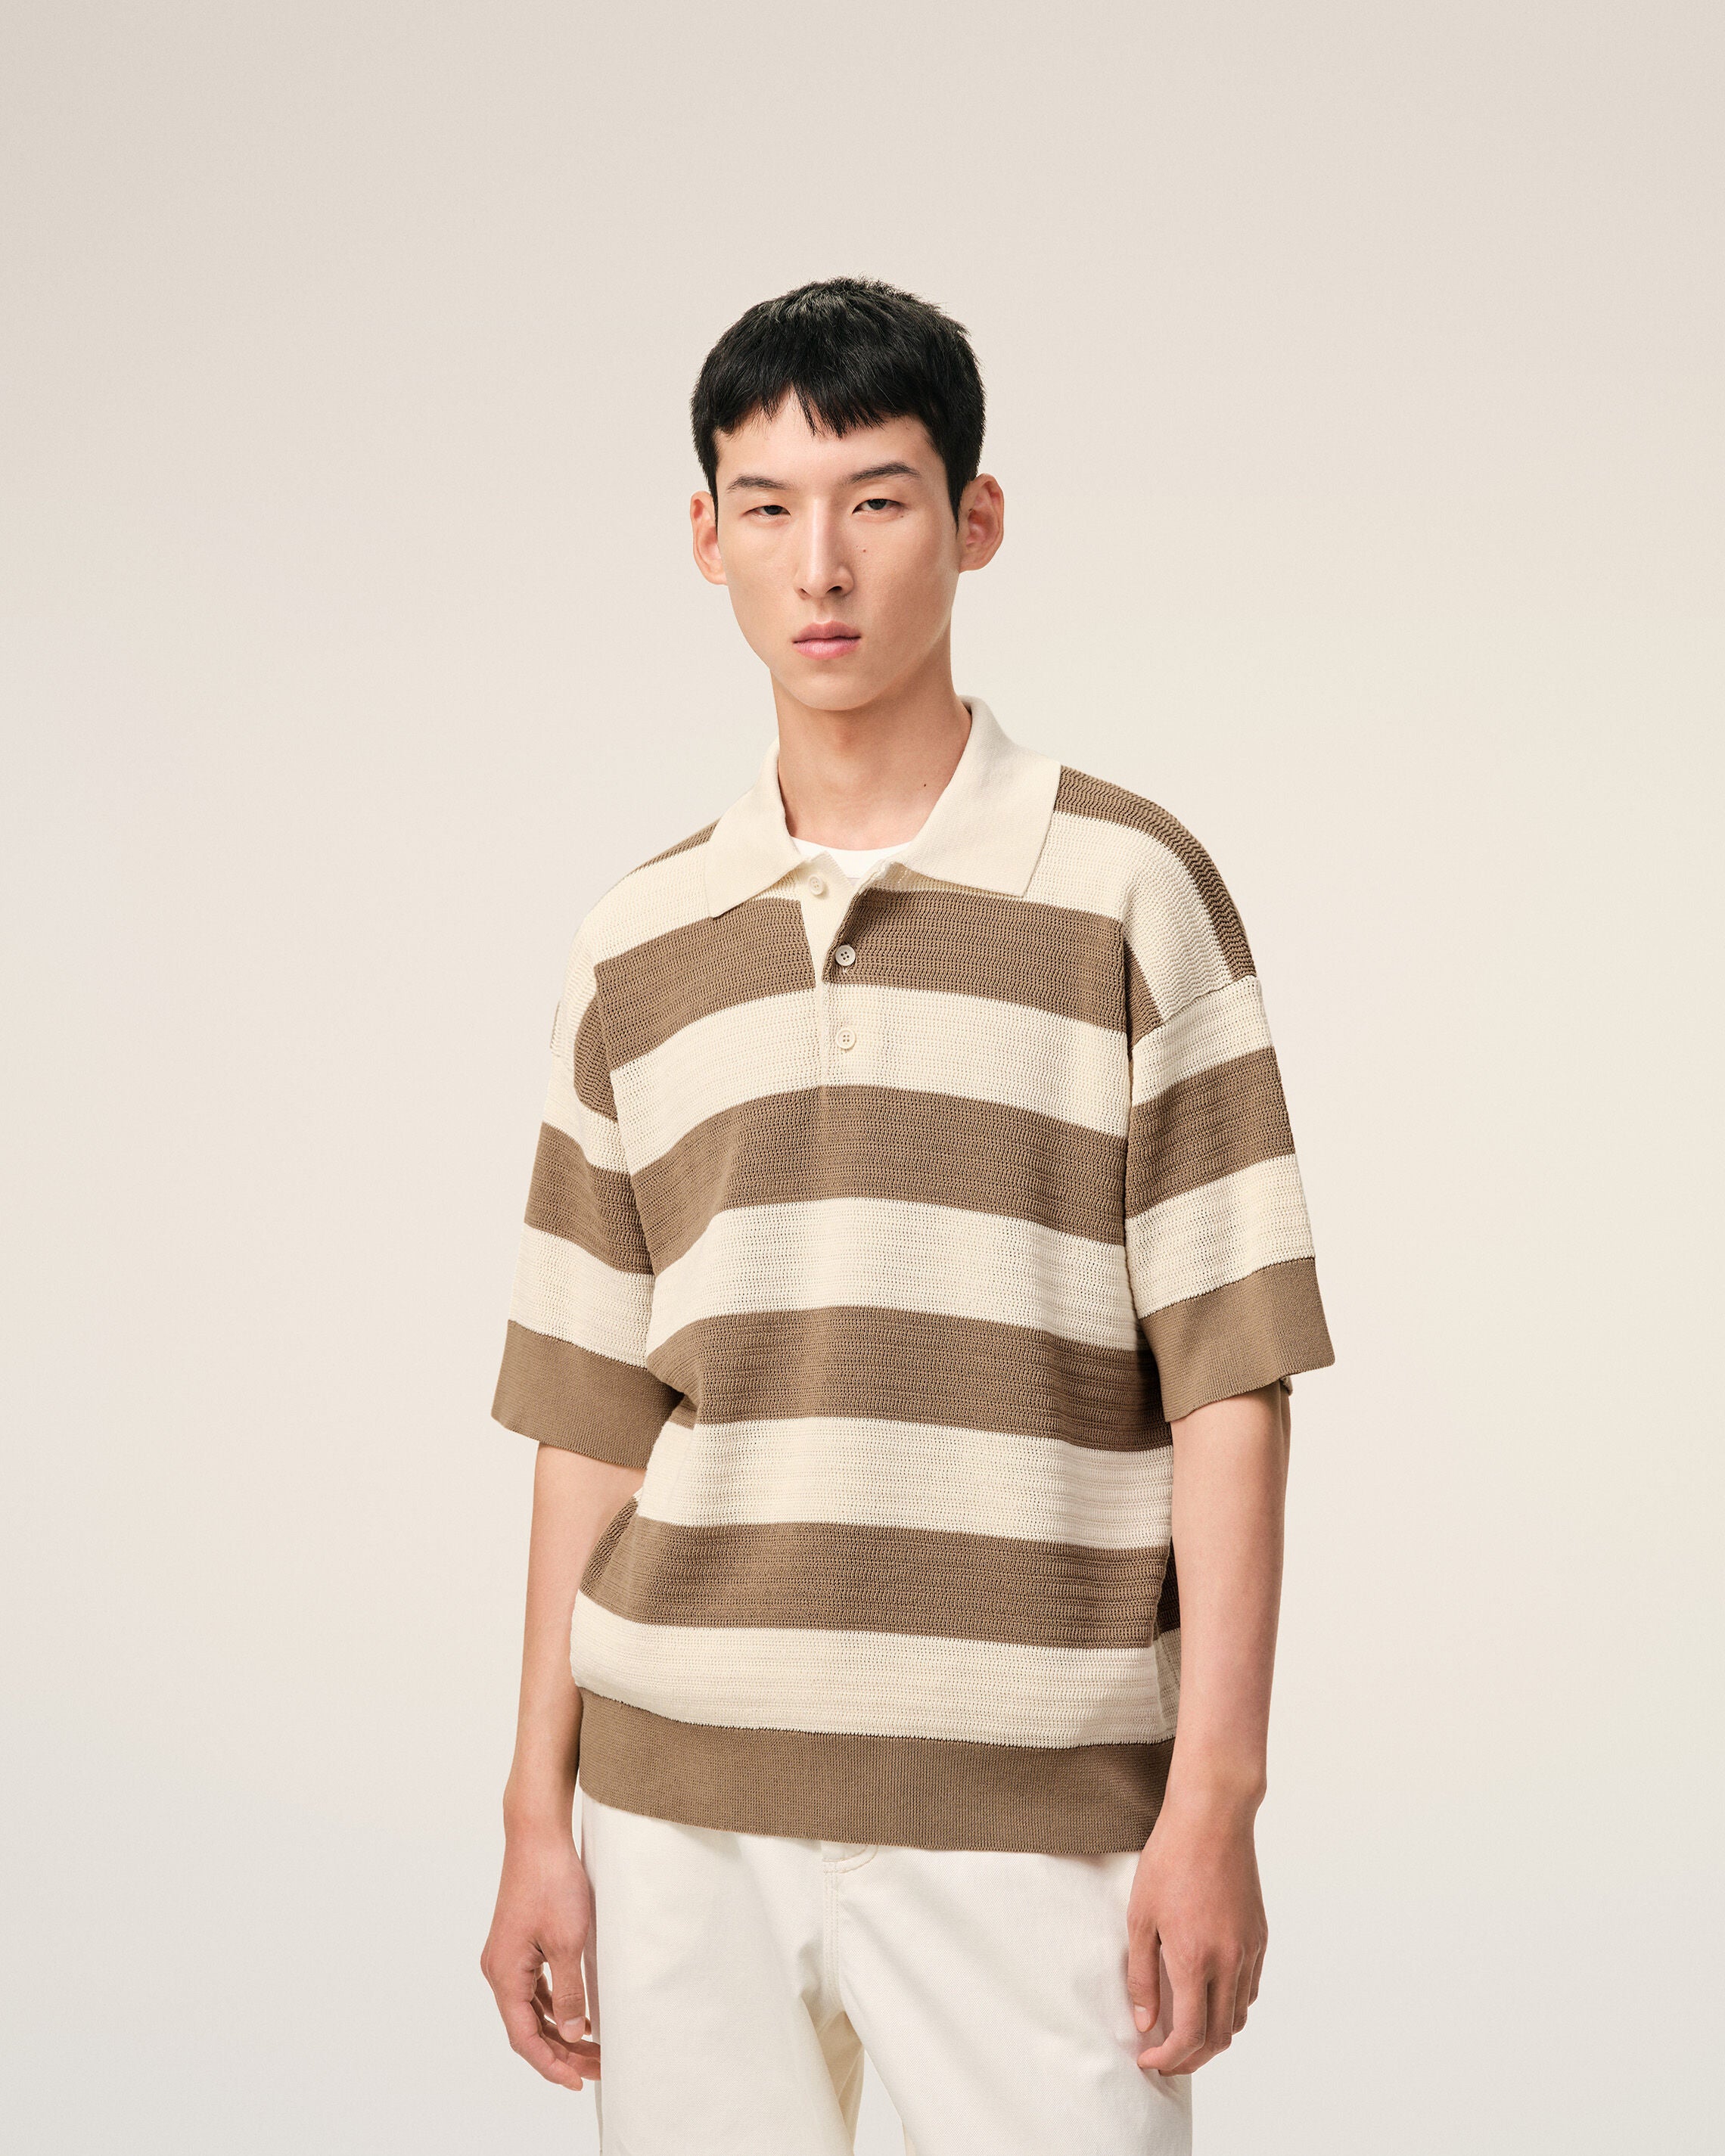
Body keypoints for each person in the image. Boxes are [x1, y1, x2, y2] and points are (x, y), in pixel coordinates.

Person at [479, 276, 1335, 2154]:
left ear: (976, 519)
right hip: (679, 1813)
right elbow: (589, 1414)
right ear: (704, 536)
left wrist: (1217, 1797)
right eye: (768, 507)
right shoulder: (637, 943)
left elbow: (1232, 1378)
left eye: (876, 500)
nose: (823, 565)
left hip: (1037, 1813)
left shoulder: (1130, 894)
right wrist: (539, 1811)